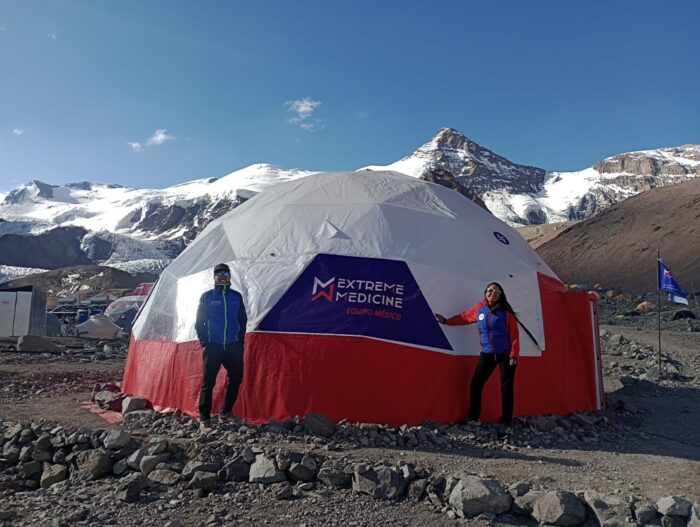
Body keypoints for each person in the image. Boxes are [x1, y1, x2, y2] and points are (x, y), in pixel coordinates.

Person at [434, 282, 519, 438]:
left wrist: (513, 355)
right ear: (485, 292)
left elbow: (514, 335)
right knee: (476, 384)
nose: (493, 293)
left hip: (505, 354)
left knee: (506, 388)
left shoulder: (506, 312)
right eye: (490, 290)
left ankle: (506, 421)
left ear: (500, 295)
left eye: (497, 291)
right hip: (487, 353)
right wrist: (446, 321)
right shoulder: (480, 308)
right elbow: (464, 317)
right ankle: (474, 417)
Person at [195, 263, 247, 429]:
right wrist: (205, 343)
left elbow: (242, 321)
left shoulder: (236, 297)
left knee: (237, 377)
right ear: (214, 278)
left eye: (225, 273)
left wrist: (239, 343)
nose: (222, 276)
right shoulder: (207, 297)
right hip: (213, 346)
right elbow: (199, 322)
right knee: (209, 381)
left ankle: (225, 412)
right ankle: (204, 417)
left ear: (230, 276)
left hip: (232, 346)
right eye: (219, 274)